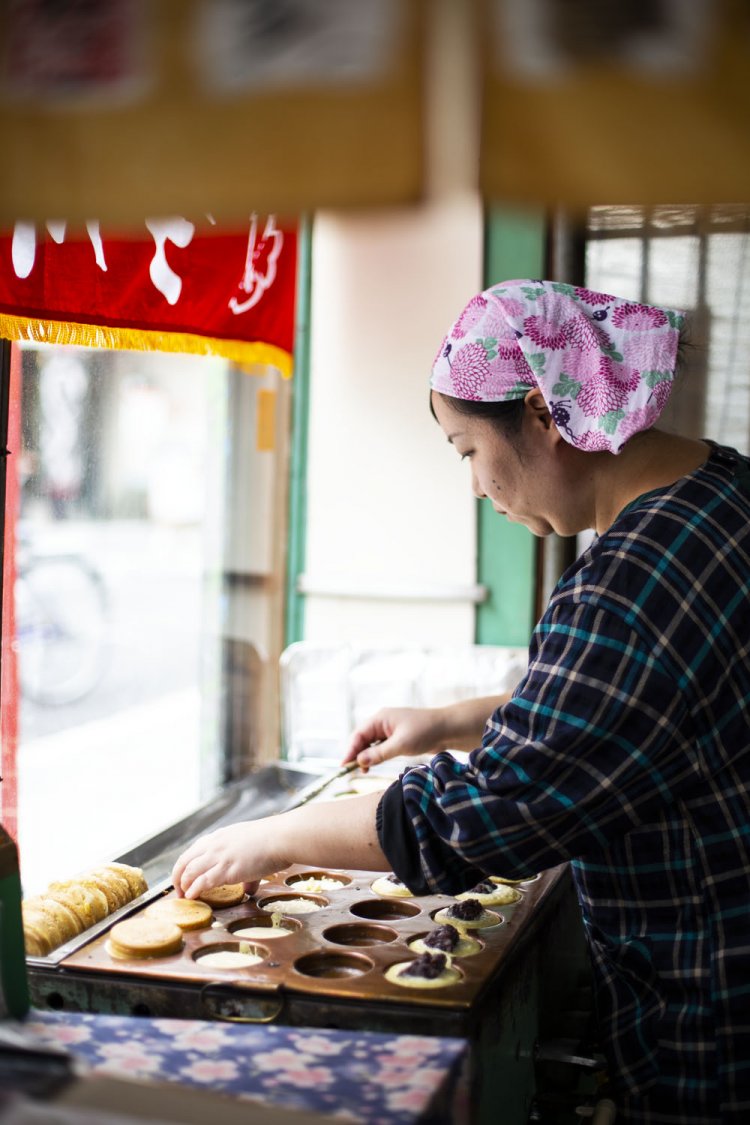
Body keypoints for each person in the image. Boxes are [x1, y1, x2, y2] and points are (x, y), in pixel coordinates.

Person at [172, 279, 750, 1124]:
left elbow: (482, 818)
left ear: (547, 415)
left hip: (711, 1028)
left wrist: (273, 839)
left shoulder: (628, 586)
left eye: (467, 451)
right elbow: (642, 705)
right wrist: (448, 719)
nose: (478, 486)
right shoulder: (718, 491)